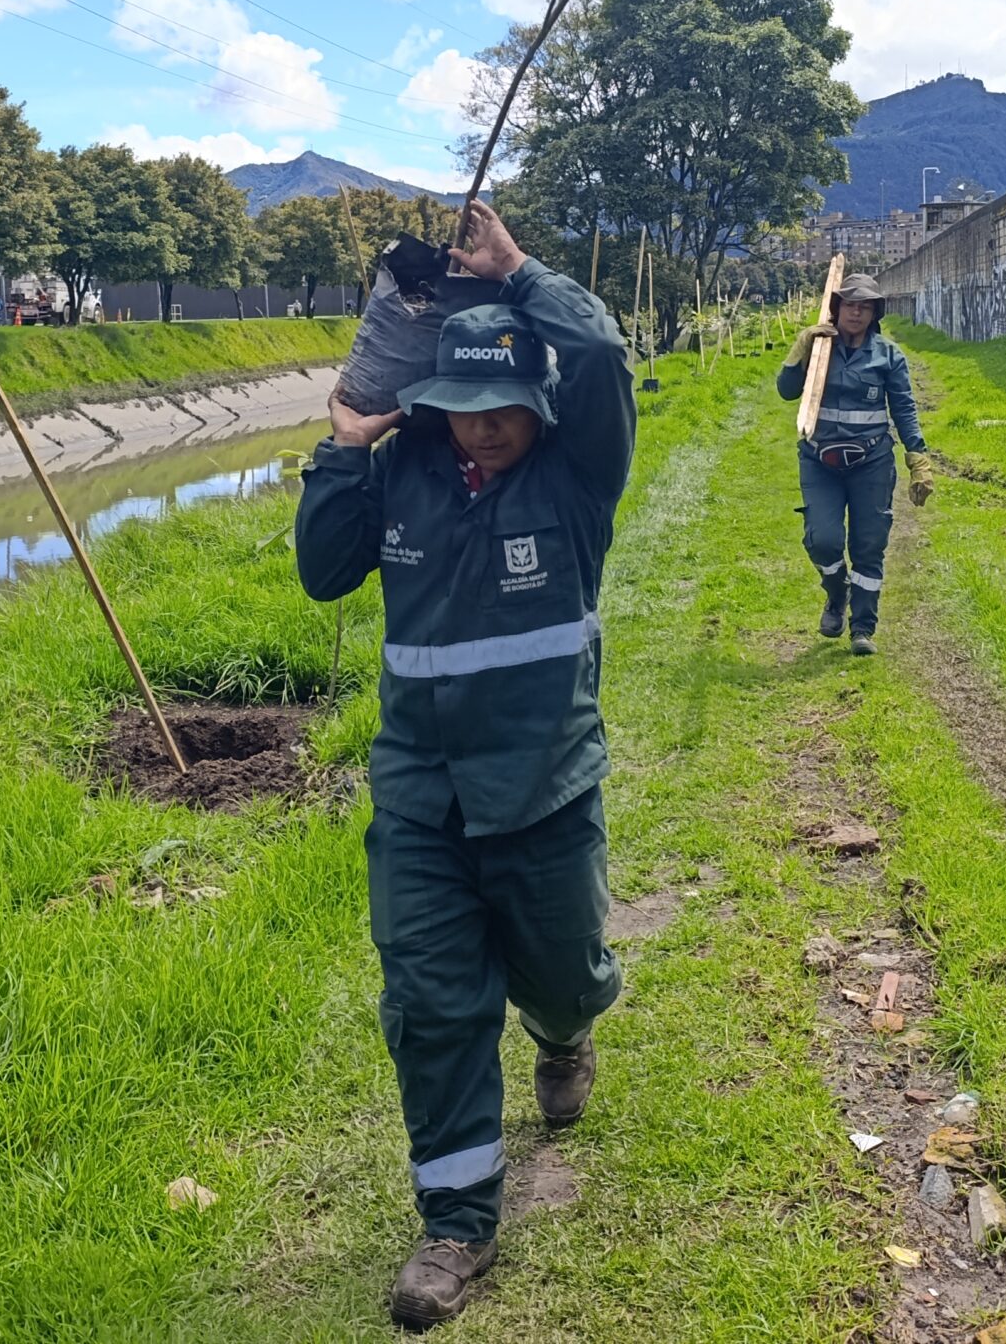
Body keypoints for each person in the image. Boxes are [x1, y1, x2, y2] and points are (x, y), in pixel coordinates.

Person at [296, 201, 636, 1331]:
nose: (482, 430)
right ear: (429, 409)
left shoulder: (578, 479)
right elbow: (325, 574)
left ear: (537, 408)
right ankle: (456, 1223)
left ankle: (566, 1029)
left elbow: (596, 353)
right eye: (460, 411)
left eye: (503, 411)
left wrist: (518, 270)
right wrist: (343, 451)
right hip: (421, 794)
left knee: (564, 971)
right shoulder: (406, 472)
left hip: (543, 787)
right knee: (433, 1004)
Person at [776, 272, 930, 654]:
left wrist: (918, 458)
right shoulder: (819, 350)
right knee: (823, 540)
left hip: (872, 462)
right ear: (837, 307)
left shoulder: (888, 355)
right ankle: (836, 593)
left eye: (865, 306)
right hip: (819, 461)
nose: (856, 313)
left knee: (868, 544)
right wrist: (799, 350)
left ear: (875, 312)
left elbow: (904, 408)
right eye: (850, 304)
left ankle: (862, 627)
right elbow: (786, 391)